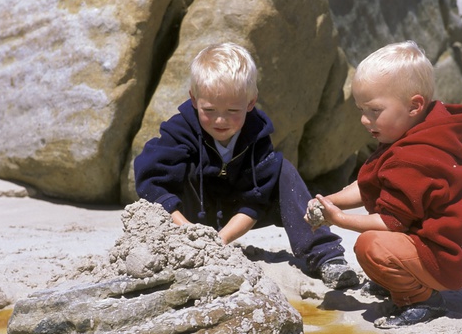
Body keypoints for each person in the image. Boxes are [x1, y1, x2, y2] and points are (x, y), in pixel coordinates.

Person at [134, 42, 359, 289]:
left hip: (235, 211)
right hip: (187, 219)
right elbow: (150, 183)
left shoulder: (257, 135)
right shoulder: (179, 131)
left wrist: (221, 240)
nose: (220, 120)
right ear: (194, 99)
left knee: (281, 169)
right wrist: (190, 233)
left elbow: (255, 199)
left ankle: (327, 255)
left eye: (232, 110)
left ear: (251, 103)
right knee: (164, 171)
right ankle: (170, 249)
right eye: (209, 110)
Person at [309, 41, 462, 327]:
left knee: (371, 246)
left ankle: (422, 299)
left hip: (446, 260)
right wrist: (331, 200)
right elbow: (367, 185)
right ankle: (404, 278)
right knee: (378, 246)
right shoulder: (413, 132)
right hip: (445, 248)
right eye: (361, 109)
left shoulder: (415, 156)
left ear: (414, 105)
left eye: (375, 110)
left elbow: (391, 223)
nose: (365, 120)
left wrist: (338, 219)